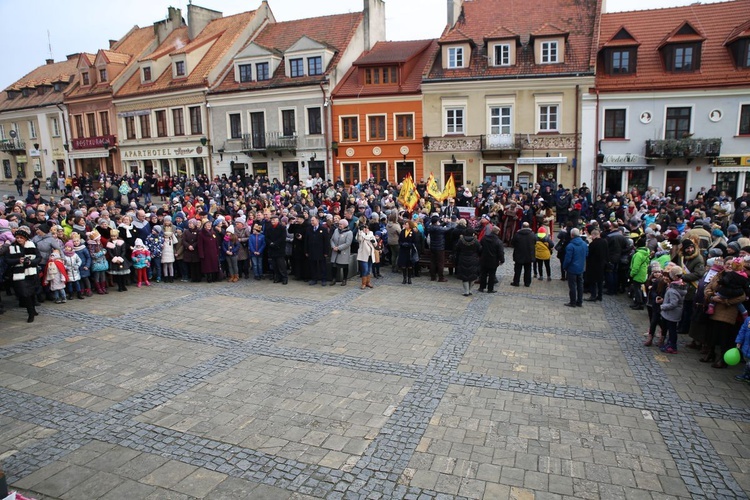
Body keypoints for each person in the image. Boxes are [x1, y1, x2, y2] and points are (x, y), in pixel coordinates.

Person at [8, 226, 42, 322]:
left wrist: (31, 262)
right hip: (19, 273)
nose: (19, 239)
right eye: (17, 238)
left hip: (31, 272)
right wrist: (18, 260)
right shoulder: (12, 247)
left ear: (25, 238)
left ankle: (33, 309)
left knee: (31, 292)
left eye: (21, 238)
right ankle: (30, 313)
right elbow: (8, 260)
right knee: (25, 293)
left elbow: (38, 257)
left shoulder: (32, 245)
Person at [658, 267, 687, 354]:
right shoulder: (679, 286)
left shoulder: (673, 290)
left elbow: (673, 304)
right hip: (673, 314)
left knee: (672, 330)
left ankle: (672, 346)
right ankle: (670, 343)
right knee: (671, 329)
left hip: (672, 314)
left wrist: (662, 306)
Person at [562, 228, 588, 307]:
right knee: (580, 285)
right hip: (581, 268)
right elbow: (586, 254)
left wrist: (564, 267)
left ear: (571, 235)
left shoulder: (570, 245)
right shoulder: (584, 244)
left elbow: (568, 259)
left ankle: (572, 302)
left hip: (572, 268)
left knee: (572, 286)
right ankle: (579, 301)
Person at [454, 225, 481, 296]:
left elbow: (456, 249)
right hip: (473, 259)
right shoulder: (476, 241)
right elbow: (480, 249)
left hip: (463, 259)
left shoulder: (461, 240)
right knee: (473, 275)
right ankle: (470, 290)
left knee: (464, 276)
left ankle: (466, 291)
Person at [478, 226, 504, 293]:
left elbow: (480, 248)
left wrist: (480, 255)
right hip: (493, 260)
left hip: (484, 258)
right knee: (492, 275)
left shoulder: (484, 238)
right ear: (497, 232)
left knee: (483, 274)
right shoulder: (498, 241)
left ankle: (481, 287)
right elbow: (500, 252)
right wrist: (502, 260)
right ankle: (490, 289)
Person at [585, 229, 608, 302]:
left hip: (593, 265)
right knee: (600, 281)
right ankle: (600, 296)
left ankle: (593, 295)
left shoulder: (593, 244)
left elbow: (589, 254)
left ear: (593, 235)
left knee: (593, 281)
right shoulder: (604, 242)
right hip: (602, 264)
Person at [305, 216, 329, 286]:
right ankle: (314, 279)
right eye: (311, 221)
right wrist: (306, 251)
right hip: (311, 251)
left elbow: (326, 242)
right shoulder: (309, 229)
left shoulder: (323, 229)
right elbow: (306, 241)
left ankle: (323, 279)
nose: (311, 222)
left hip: (321, 251)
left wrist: (326, 252)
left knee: (322, 266)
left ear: (317, 220)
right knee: (313, 266)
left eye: (313, 220)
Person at [510, 222, 536, 287]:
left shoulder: (517, 234)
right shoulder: (532, 234)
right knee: (528, 270)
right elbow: (535, 242)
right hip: (529, 255)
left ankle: (516, 282)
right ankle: (527, 283)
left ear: (522, 226)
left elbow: (512, 243)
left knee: (517, 269)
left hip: (519, 254)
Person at [266, 214, 288, 285]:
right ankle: (277, 277)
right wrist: (270, 243)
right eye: (271, 220)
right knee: (274, 265)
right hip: (272, 248)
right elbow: (266, 237)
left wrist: (275, 243)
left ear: (278, 220)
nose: (272, 221)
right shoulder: (269, 228)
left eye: (274, 220)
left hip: (279, 248)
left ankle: (284, 278)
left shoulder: (282, 227)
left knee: (281, 265)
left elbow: (283, 238)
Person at [330, 218, 353, 286]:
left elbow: (348, 243)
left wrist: (339, 248)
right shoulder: (336, 230)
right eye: (339, 224)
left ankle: (344, 279)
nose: (339, 225)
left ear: (345, 225)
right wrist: (333, 246)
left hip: (343, 252)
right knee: (334, 266)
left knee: (344, 266)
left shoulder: (349, 232)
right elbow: (332, 239)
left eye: (340, 224)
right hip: (335, 251)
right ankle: (334, 279)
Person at [629, 237, 650, 310]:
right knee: (639, 289)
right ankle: (638, 303)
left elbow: (635, 267)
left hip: (638, 274)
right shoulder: (646, 251)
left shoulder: (638, 254)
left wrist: (631, 274)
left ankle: (639, 304)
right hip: (643, 272)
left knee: (637, 290)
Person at [397, 220, 419, 285]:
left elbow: (415, 241)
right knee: (403, 265)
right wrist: (402, 244)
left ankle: (409, 278)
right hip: (403, 250)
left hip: (410, 250)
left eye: (406, 224)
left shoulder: (413, 232)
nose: (405, 226)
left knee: (409, 265)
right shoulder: (402, 232)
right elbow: (399, 240)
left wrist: (409, 244)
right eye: (405, 224)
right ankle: (404, 278)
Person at [356, 222, 377, 289]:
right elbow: (359, 239)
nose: (366, 229)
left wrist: (374, 241)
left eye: (367, 228)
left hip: (370, 254)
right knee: (364, 269)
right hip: (363, 255)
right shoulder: (361, 235)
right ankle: (363, 283)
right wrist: (359, 231)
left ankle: (368, 282)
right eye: (364, 228)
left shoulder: (371, 235)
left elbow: (375, 244)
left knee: (368, 269)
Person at [734, 316, 750, 383]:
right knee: (747, 360)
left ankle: (746, 375)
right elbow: (742, 331)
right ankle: (747, 375)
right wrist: (739, 341)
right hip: (746, 347)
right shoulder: (748, 319)